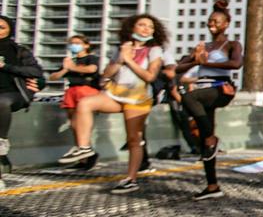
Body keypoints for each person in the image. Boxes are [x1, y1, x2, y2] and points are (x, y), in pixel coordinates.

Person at [58, 14, 169, 193]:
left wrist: (129, 59)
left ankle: (131, 178)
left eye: (150, 27)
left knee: (134, 139)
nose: (146, 29)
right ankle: (84, 147)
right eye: (142, 25)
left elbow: (150, 76)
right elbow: (107, 73)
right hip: (116, 93)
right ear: (132, 28)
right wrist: (120, 59)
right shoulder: (122, 48)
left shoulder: (154, 50)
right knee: (85, 103)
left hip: (138, 98)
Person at [174, 0, 242, 200]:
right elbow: (177, 69)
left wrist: (209, 62)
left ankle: (211, 138)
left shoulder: (231, 44)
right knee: (206, 139)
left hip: (221, 88)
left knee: (188, 97)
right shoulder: (202, 46)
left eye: (217, 21)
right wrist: (195, 60)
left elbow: (236, 64)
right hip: (202, 89)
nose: (212, 24)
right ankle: (212, 185)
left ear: (226, 23)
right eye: (210, 21)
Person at [0, 15, 46, 166]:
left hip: (13, 94)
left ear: (9, 30)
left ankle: (2, 141)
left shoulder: (19, 51)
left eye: (2, 27)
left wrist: (5, 67)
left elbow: (36, 73)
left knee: (2, 102)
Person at [49, 34, 100, 141]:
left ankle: (85, 148)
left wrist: (72, 67)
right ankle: (80, 148)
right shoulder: (70, 61)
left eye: (77, 43)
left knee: (82, 124)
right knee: (74, 124)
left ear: (86, 45)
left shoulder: (91, 58)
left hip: (86, 90)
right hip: (71, 91)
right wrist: (65, 69)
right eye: (72, 44)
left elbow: (92, 69)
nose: (74, 46)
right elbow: (53, 77)